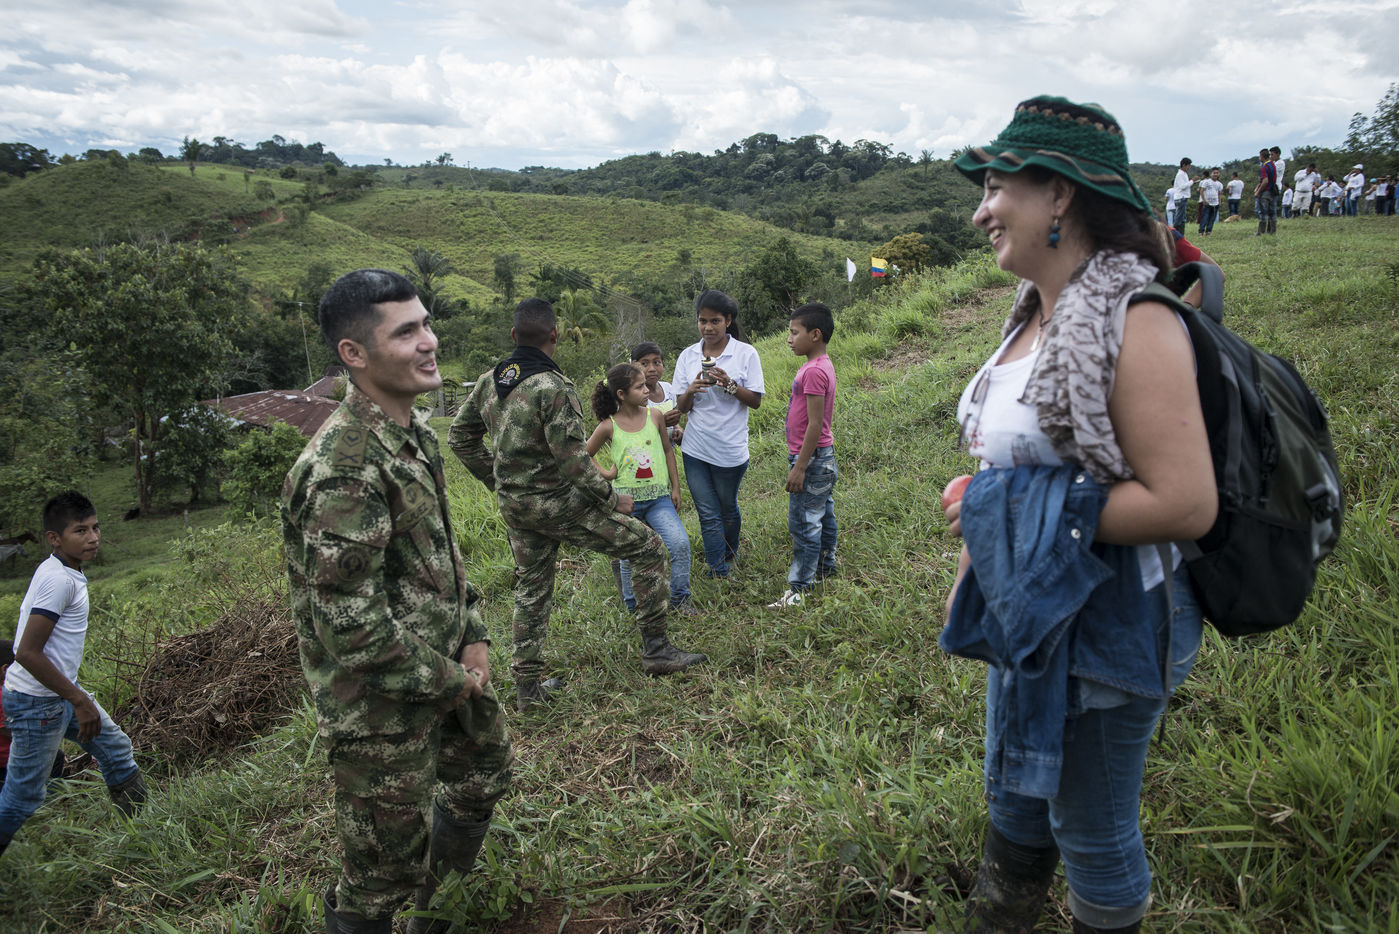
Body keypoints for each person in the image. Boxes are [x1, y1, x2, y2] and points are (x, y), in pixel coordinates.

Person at [946, 95, 1216, 934]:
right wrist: (989, 520)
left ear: (1058, 194)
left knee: (1091, 828)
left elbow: (1183, 501)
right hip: (1034, 607)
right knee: (1015, 798)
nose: (981, 212)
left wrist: (1004, 508)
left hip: (1107, 620)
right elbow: (1014, 465)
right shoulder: (1034, 312)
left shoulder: (1136, 318)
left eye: (997, 188)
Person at [282, 268, 513, 933]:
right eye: (406, 332)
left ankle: (434, 920)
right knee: (382, 871)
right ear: (353, 354)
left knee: (482, 772)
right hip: (377, 706)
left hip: (446, 667)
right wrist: (453, 681)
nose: (429, 342)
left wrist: (473, 631)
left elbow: (440, 554)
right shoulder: (343, 469)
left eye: (427, 324)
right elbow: (350, 630)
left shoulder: (413, 433)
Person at [450, 299, 705, 712]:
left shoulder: (490, 380)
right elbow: (574, 462)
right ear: (554, 335)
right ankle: (657, 650)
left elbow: (459, 438)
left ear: (514, 336)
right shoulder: (553, 387)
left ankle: (528, 690)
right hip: (557, 503)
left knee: (532, 589)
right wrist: (612, 499)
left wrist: (499, 481)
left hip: (516, 507)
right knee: (647, 547)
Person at [0, 492, 147, 861]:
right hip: (38, 702)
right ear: (54, 538)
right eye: (80, 531)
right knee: (23, 798)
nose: (93, 538)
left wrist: (73, 696)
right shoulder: (59, 581)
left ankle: (142, 837)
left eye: (95, 528)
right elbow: (26, 652)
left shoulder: (61, 570)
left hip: (56, 693)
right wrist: (79, 700)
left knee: (116, 750)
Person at [672, 290, 766, 579]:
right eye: (702, 321)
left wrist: (730, 384)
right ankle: (717, 569)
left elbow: (755, 401)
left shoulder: (745, 353)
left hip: (730, 450)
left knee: (727, 508)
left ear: (728, 321)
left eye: (715, 321)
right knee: (708, 511)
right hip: (695, 448)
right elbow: (681, 408)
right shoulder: (688, 356)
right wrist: (690, 390)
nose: (708, 327)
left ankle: (729, 552)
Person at [587, 363, 693, 615]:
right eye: (639, 387)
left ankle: (680, 601)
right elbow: (584, 453)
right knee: (629, 556)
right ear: (621, 394)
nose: (647, 390)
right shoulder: (608, 426)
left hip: (659, 499)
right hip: (626, 502)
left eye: (646, 385)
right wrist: (607, 473)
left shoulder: (654, 416)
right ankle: (633, 606)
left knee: (679, 544)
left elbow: (668, 451)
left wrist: (676, 488)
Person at [768, 302, 839, 609]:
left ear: (815, 334)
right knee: (823, 514)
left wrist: (799, 467)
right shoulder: (821, 364)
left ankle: (799, 588)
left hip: (810, 458)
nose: (789, 339)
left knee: (803, 523)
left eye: (794, 333)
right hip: (823, 455)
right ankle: (825, 568)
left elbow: (814, 423)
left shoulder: (813, 371)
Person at [1254, 148, 1278, 235]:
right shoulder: (1272, 165)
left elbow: (1265, 181)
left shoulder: (1264, 168)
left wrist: (1258, 191)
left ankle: (1261, 232)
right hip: (1273, 191)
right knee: (1272, 212)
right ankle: (1272, 231)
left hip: (1265, 192)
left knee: (1263, 212)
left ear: (1262, 156)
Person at [1196, 167, 1223, 235]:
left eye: (1217, 173)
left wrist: (1219, 202)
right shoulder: (1206, 182)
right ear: (1211, 174)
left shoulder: (1219, 184)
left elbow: (1219, 193)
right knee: (1205, 218)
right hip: (1207, 203)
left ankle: (1208, 231)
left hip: (1215, 204)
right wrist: (1204, 200)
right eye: (1214, 173)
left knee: (1212, 219)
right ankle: (1201, 231)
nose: (1215, 174)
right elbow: (1201, 191)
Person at [1171, 157, 1193, 232]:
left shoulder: (1184, 174)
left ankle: (1180, 233)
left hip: (1183, 197)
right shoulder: (1180, 174)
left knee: (1182, 218)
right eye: (1188, 166)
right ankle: (1175, 233)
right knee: (1179, 218)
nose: (1189, 167)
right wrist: (1192, 181)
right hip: (1181, 198)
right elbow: (1182, 186)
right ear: (1184, 165)